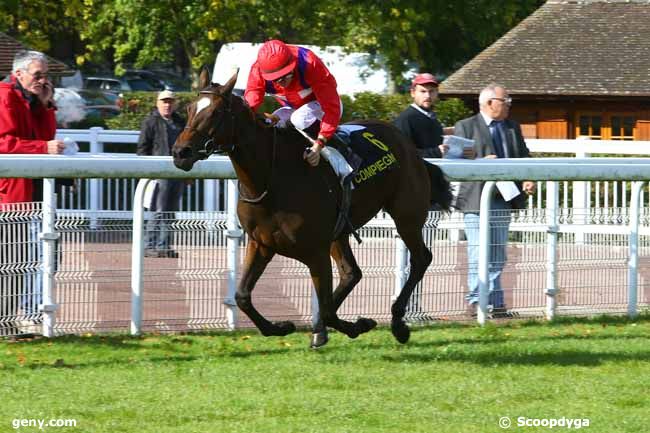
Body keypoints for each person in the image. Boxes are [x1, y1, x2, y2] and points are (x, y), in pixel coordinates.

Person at [451, 84, 535, 318]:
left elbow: (523, 155)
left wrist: (528, 176)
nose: (508, 105)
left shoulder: (512, 127)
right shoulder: (465, 126)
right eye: (505, 101)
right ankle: (477, 301)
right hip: (475, 200)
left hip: (503, 199)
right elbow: (454, 160)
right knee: (479, 252)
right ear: (489, 103)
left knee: (498, 253)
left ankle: (496, 303)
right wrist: (480, 162)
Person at [0, 50, 65, 336]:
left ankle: (17, 318)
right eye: (37, 75)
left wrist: (46, 105)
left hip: (34, 192)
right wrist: (43, 148)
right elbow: (5, 143)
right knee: (13, 260)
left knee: (33, 256)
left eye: (45, 75)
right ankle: (11, 319)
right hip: (11, 195)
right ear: (19, 74)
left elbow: (45, 138)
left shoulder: (31, 100)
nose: (43, 80)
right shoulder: (5, 97)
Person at [244, 39, 342, 168]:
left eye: (285, 76)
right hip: (295, 110)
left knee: (299, 119)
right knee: (272, 124)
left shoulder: (309, 63)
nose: (281, 82)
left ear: (293, 64)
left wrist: (318, 145)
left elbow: (331, 108)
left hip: (326, 108)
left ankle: (341, 158)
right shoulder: (258, 70)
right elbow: (249, 106)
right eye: (275, 79)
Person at [137, 90, 186, 258]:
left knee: (171, 211)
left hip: (177, 172)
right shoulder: (150, 122)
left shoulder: (180, 122)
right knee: (158, 210)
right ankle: (149, 245)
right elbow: (142, 149)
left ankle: (164, 245)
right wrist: (148, 171)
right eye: (164, 101)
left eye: (170, 101)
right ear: (158, 103)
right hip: (158, 172)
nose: (167, 104)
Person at [393, 73, 450, 158]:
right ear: (413, 93)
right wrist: (436, 152)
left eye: (431, 91)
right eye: (423, 91)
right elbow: (400, 153)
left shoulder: (431, 117)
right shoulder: (405, 119)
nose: (427, 96)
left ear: (437, 93)